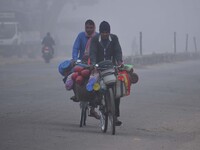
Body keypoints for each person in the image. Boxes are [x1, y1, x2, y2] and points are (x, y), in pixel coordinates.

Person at [89, 21, 123, 126]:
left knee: (117, 92)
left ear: (109, 32)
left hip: (111, 68)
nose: (105, 34)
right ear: (100, 32)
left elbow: (118, 51)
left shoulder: (114, 38)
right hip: (98, 68)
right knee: (94, 85)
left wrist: (119, 61)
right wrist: (94, 64)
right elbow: (93, 52)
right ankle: (94, 105)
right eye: (103, 32)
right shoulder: (95, 39)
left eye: (107, 32)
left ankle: (115, 116)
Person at [71, 19, 100, 119]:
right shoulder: (80, 36)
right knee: (72, 76)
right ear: (85, 27)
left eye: (91, 28)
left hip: (93, 63)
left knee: (96, 81)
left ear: (94, 27)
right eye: (87, 27)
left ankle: (93, 108)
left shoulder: (98, 36)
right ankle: (76, 94)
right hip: (82, 63)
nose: (89, 29)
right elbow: (75, 48)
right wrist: (75, 59)